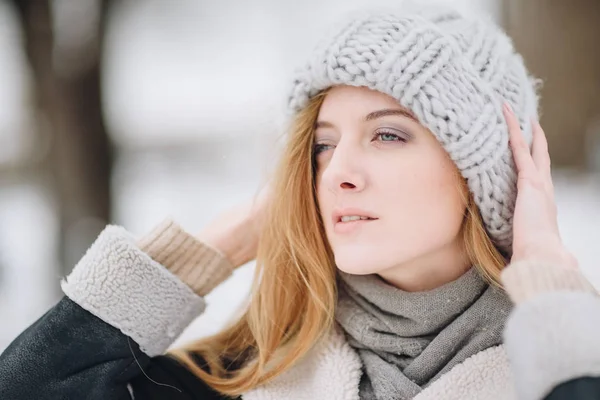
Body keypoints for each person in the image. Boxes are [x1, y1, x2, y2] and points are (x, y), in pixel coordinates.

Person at [1, 4, 600, 400]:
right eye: (321, 146)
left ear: (483, 171)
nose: (337, 172)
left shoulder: (561, 369)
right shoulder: (256, 376)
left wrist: (551, 285)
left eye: (388, 134)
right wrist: (221, 247)